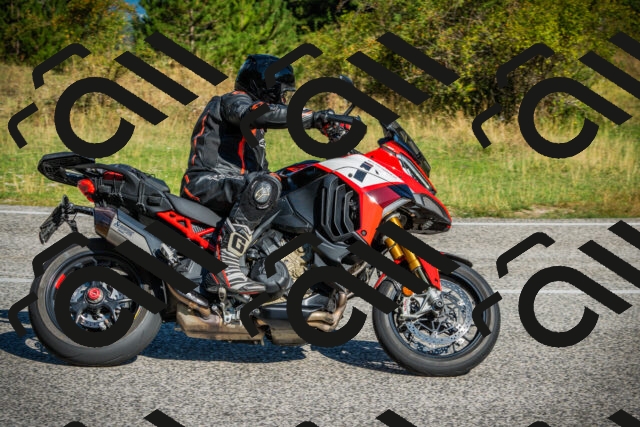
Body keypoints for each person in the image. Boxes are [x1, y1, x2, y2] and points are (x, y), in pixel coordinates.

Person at [180, 54, 333, 298]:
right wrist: (312, 117)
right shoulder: (232, 101)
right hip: (206, 183)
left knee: (299, 176)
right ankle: (225, 267)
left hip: (236, 186)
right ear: (265, 87)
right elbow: (255, 113)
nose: (283, 100)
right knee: (266, 184)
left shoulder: (256, 129)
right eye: (281, 93)